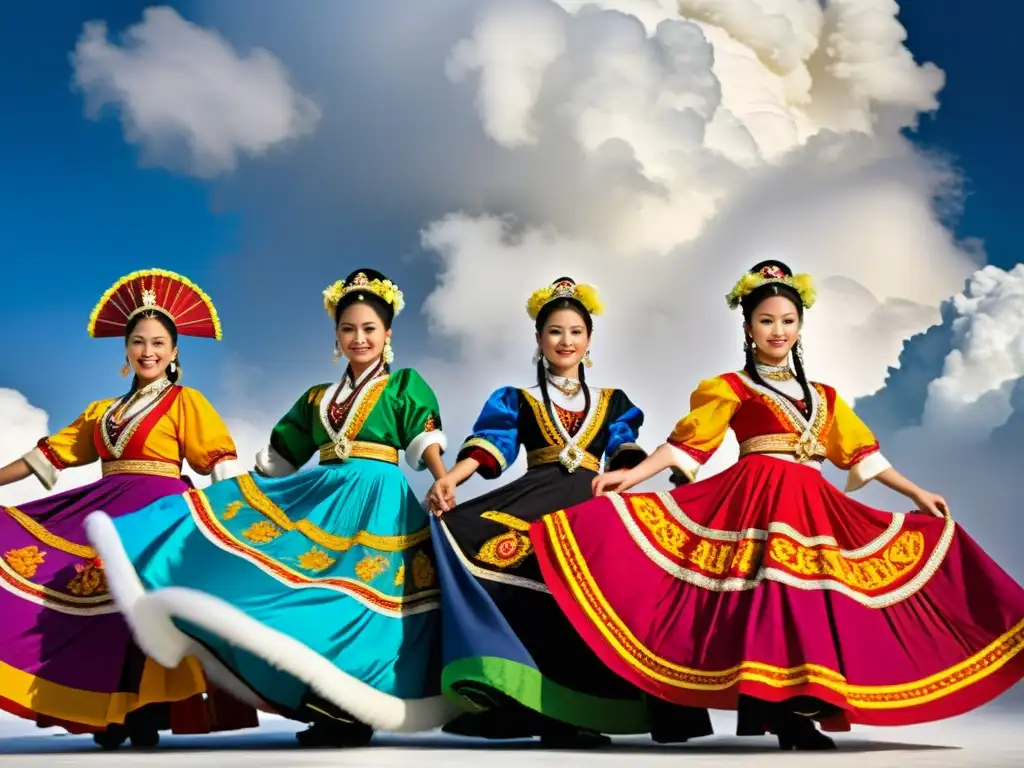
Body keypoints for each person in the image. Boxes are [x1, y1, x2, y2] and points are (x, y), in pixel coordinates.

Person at [530, 261, 1024, 750]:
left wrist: (914, 492)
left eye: (787, 321)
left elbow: (862, 454)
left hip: (813, 505)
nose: (777, 330)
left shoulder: (824, 395)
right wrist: (632, 476)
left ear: (801, 326)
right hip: (757, 499)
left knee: (814, 604)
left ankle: (802, 708)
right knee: (773, 606)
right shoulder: (731, 387)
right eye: (766, 321)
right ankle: (786, 717)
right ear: (747, 327)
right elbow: (688, 446)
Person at [87, 268, 459, 748]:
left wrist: (441, 477)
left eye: (369, 329)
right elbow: (277, 463)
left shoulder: (403, 385)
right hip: (324, 499)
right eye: (348, 329)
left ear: (387, 334)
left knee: (364, 603)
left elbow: (423, 439)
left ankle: (354, 711)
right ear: (336, 336)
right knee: (311, 597)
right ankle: (330, 707)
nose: (359, 338)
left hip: (378, 501)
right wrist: (230, 498)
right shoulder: (316, 399)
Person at [425, 277, 712, 747]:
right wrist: (452, 479)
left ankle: (587, 712)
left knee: (600, 603)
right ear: (539, 340)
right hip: (535, 498)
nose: (566, 341)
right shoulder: (518, 398)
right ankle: (530, 705)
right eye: (555, 331)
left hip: (593, 504)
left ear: (590, 340)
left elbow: (624, 454)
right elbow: (490, 448)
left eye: (576, 331)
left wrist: (646, 481)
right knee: (508, 575)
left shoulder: (613, 402)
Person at [0, 268, 257, 749]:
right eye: (138, 341)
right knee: (101, 610)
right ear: (125, 349)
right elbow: (48, 456)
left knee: (144, 609)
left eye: (159, 342)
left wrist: (240, 516)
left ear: (175, 351)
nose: (148, 351)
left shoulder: (186, 402)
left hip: (162, 517)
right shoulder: (101, 412)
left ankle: (144, 710)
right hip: (103, 514)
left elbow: (217, 463)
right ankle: (111, 711)